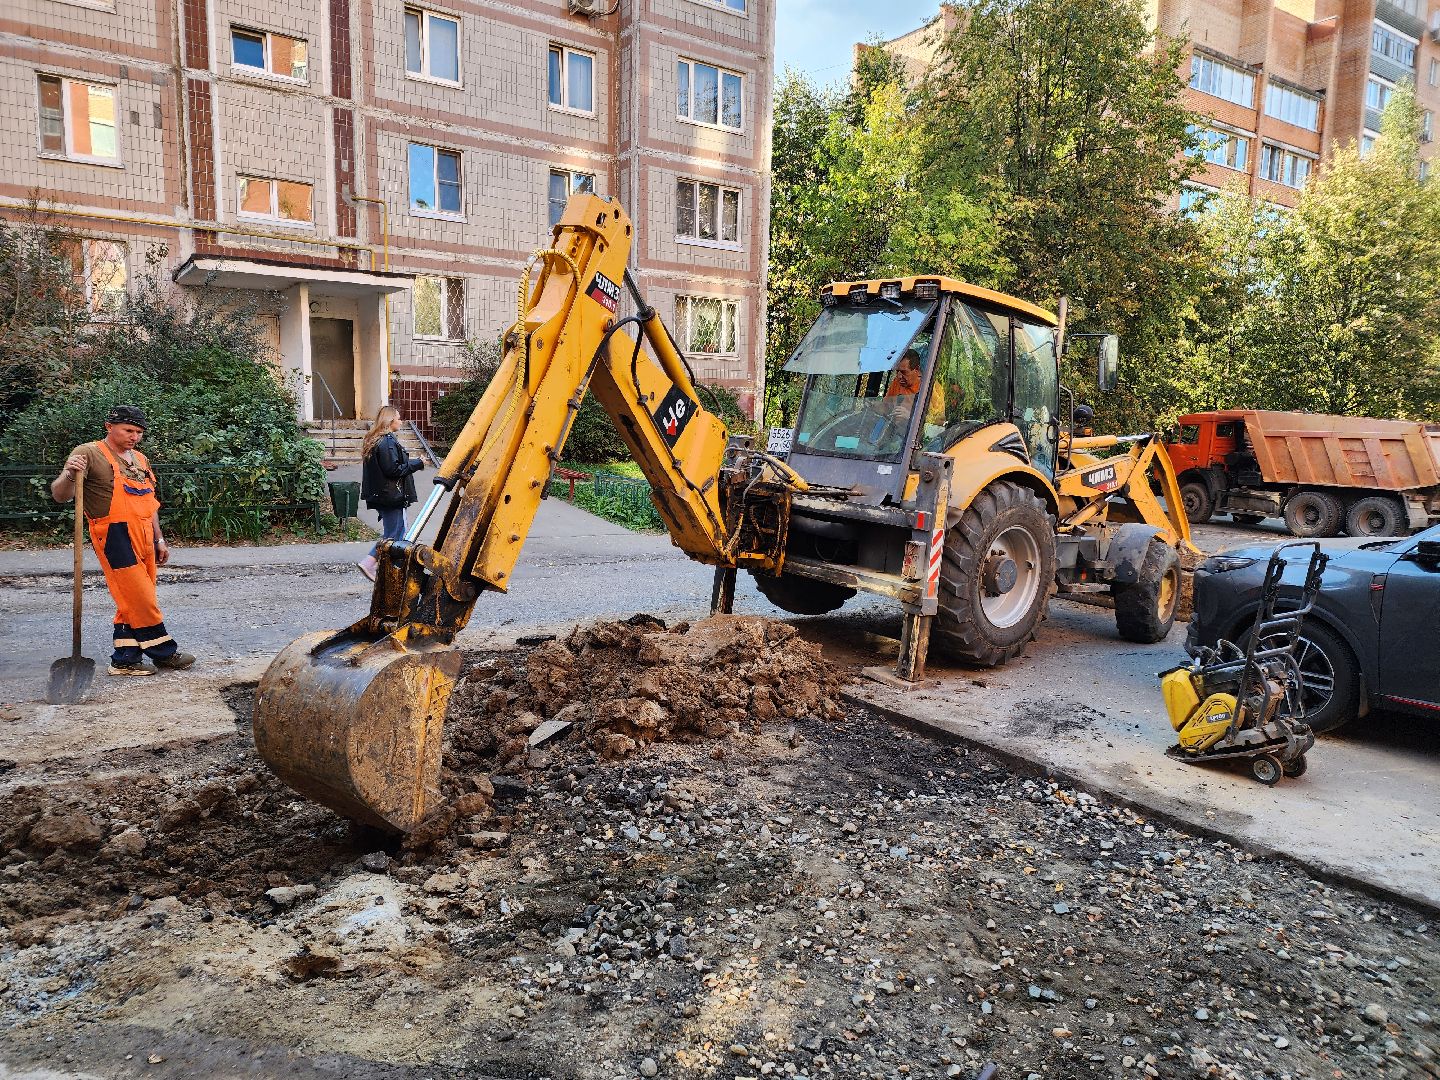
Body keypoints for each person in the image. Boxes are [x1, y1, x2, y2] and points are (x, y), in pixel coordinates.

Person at [50, 405, 195, 677]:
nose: (134, 437)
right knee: (139, 594)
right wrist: (69, 474)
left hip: (144, 532)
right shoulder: (88, 453)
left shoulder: (140, 459)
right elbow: (60, 495)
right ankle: (163, 651)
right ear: (109, 426)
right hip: (113, 533)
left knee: (135, 595)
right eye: (129, 430)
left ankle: (125, 659)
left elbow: (149, 504)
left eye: (139, 432)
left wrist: (159, 539)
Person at [358, 405, 424, 581]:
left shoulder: (376, 440)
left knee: (392, 533)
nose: (401, 421)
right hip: (391, 496)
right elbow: (392, 470)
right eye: (398, 418)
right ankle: (371, 562)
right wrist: (417, 463)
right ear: (390, 420)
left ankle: (384, 569)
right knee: (396, 534)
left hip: (383, 495)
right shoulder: (387, 441)